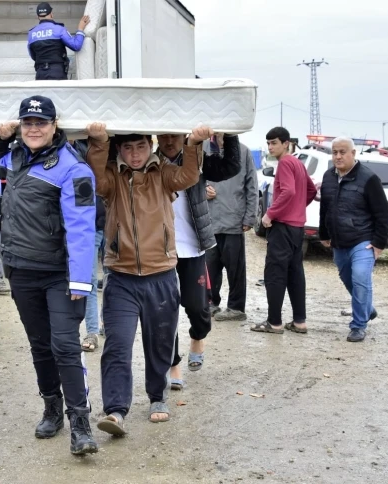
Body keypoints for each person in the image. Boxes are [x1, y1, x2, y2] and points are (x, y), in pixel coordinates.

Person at [0, 96, 97, 456]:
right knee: (39, 345)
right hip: (22, 270)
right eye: (28, 122)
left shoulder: (73, 168)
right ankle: (52, 408)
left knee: (64, 346)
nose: (34, 129)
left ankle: (80, 424)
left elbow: (81, 228)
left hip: (59, 274)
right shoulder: (15, 158)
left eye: (41, 122)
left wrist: (81, 280)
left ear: (55, 126)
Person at [85, 122, 211, 435]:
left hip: (161, 274)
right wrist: (99, 142)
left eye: (141, 146)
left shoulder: (164, 173)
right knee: (117, 345)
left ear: (150, 144)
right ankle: (115, 410)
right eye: (127, 148)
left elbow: (189, 176)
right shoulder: (112, 177)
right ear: (119, 149)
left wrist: (194, 144)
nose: (135, 154)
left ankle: (157, 397)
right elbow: (96, 179)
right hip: (121, 276)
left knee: (160, 343)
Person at [156, 131, 242, 390]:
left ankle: (198, 336)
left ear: (184, 136)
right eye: (164, 136)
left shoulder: (199, 159)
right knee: (164, 312)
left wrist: (229, 133)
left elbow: (231, 166)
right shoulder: (149, 163)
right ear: (156, 138)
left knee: (197, 307)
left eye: (175, 136)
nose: (169, 142)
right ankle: (173, 364)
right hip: (160, 251)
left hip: (193, 247)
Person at [319, 137, 388, 342]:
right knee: (347, 278)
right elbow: (325, 207)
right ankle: (367, 308)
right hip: (339, 241)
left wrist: (378, 243)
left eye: (342, 152)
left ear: (353, 153)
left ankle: (358, 325)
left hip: (362, 239)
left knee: (360, 278)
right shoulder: (329, 176)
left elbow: (383, 213)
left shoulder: (368, 179)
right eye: (334, 152)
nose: (338, 156)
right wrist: (324, 233)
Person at [251, 127, 317, 335]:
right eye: (268, 143)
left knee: (275, 274)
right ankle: (299, 321)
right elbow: (311, 190)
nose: (270, 147)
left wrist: (270, 214)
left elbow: (288, 191)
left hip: (282, 227)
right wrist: (297, 209)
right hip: (297, 228)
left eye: (274, 143)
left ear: (286, 143)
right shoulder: (298, 162)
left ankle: (275, 322)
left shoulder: (286, 163)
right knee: (295, 273)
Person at [207, 138, 259, 322]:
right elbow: (191, 179)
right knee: (209, 266)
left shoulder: (242, 152)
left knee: (235, 268)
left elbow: (252, 185)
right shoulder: (202, 148)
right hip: (209, 219)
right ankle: (210, 302)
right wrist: (202, 189)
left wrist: (250, 216)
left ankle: (236, 307)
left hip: (234, 220)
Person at [28, 2, 90, 80]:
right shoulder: (59, 29)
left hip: (40, 74)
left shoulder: (31, 33)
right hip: (57, 73)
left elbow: (33, 56)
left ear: (38, 16)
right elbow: (76, 46)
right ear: (51, 14)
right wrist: (80, 29)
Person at [80, 195, 105, 352]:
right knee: (90, 281)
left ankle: (107, 322)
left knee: (115, 278)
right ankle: (92, 331)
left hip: (116, 222)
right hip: (91, 224)